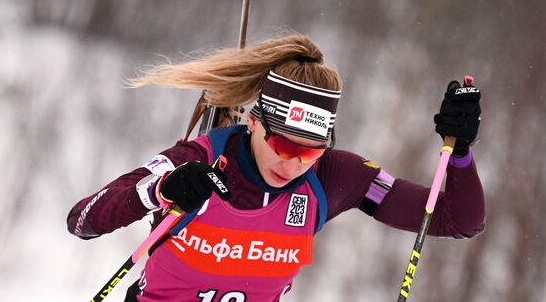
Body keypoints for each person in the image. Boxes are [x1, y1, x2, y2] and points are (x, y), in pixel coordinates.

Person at [67, 34, 485, 302]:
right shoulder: (200, 161)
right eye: (283, 144)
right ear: (254, 121)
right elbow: (82, 220)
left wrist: (460, 152)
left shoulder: (334, 178)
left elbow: (458, 220)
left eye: (310, 152)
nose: (293, 163)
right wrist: (159, 190)